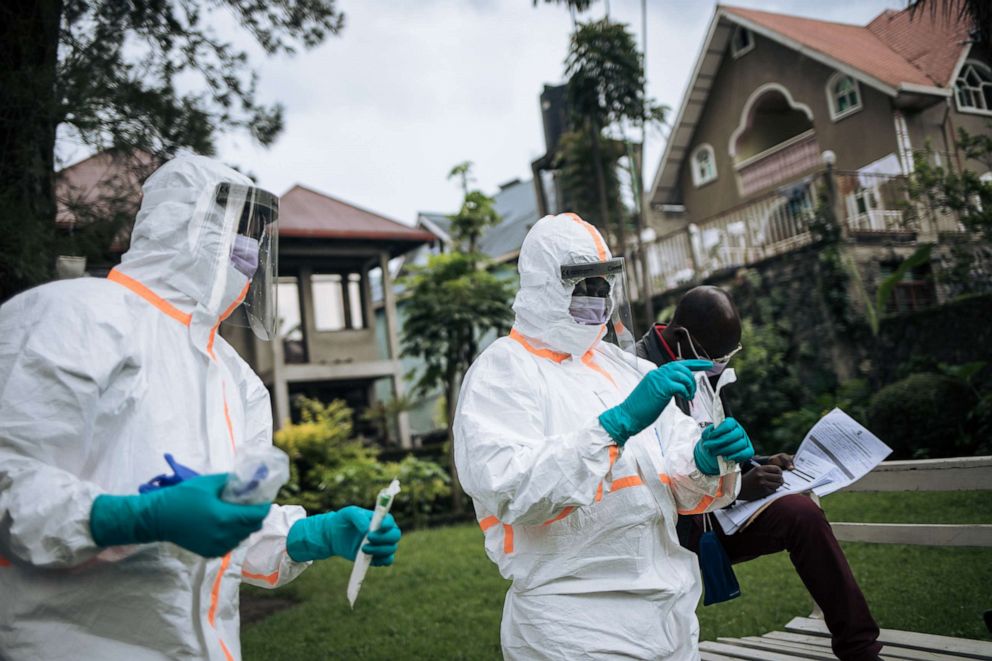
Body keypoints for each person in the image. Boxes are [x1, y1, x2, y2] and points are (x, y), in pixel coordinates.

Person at [0, 154, 401, 661]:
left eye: (257, 234)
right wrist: (130, 517)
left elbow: (228, 531)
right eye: (238, 227)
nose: (250, 249)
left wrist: (308, 535)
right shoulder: (72, 317)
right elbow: (8, 479)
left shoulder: (237, 382)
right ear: (184, 222)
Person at [454, 212, 755, 660]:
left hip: (669, 618)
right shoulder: (503, 371)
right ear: (542, 284)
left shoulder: (627, 369)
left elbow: (678, 483)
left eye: (602, 284)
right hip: (572, 627)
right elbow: (512, 488)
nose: (597, 296)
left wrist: (705, 460)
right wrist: (615, 427)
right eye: (581, 283)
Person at [636, 285, 883, 661]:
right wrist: (735, 488)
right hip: (671, 528)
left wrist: (759, 464)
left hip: (720, 512)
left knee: (802, 514)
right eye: (719, 352)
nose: (722, 361)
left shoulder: (700, 363)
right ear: (684, 336)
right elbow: (647, 469)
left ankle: (860, 650)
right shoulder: (635, 369)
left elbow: (716, 440)